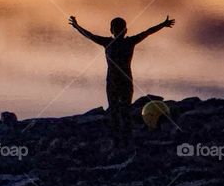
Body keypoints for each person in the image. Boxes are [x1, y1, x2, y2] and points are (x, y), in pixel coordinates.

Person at [69, 14, 175, 143]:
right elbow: (148, 32)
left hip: (114, 82)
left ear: (111, 30)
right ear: (126, 30)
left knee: (115, 110)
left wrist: (76, 26)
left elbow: (89, 35)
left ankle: (118, 138)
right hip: (124, 81)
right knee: (124, 110)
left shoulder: (108, 42)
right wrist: (163, 24)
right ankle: (125, 137)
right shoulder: (129, 42)